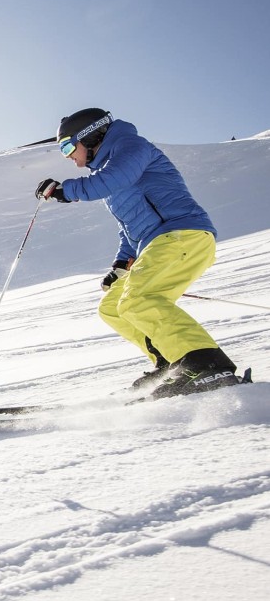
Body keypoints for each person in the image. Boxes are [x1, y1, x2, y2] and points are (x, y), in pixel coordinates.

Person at [36, 107, 241, 398]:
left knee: (139, 299)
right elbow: (131, 227)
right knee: (112, 306)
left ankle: (207, 365)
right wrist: (121, 264)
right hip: (159, 242)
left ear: (90, 136)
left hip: (183, 234)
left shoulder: (131, 147)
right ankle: (170, 362)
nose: (68, 155)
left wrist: (64, 191)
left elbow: (110, 181)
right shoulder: (108, 171)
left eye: (68, 146)